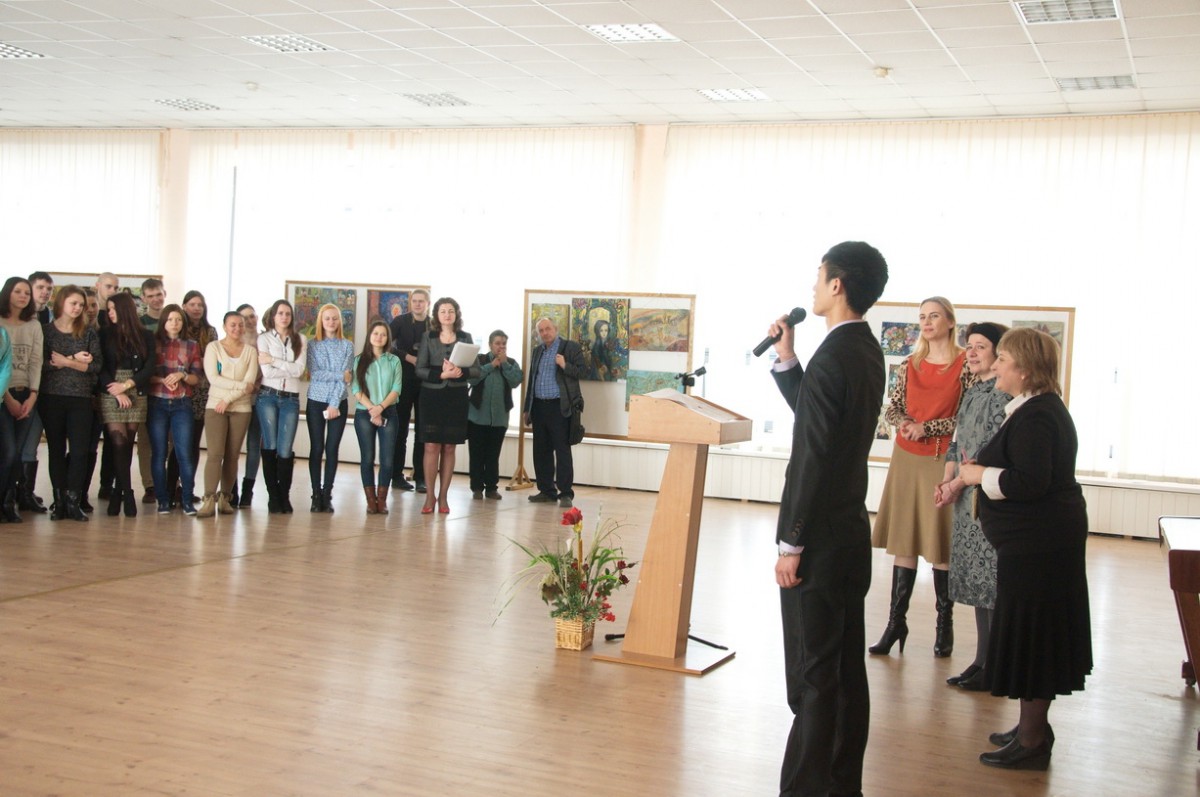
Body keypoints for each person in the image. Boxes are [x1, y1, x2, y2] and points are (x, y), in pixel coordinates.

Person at [771, 241, 889, 797]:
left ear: (837, 284)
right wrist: (788, 361)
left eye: (819, 276)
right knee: (844, 671)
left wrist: (790, 544)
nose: (814, 286)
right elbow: (823, 422)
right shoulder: (864, 349)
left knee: (813, 677)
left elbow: (812, 456)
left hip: (817, 539)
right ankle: (843, 785)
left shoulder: (835, 355)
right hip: (849, 534)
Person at [959, 328, 1091, 770]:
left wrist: (978, 476)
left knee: (1035, 638)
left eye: (1003, 359)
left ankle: (1032, 741)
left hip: (1039, 547)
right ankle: (1030, 729)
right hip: (1038, 544)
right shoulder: (1036, 409)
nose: (995, 365)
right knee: (1035, 634)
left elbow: (1030, 482)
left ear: (1026, 370)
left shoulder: (1037, 415)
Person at [869, 297, 970, 658]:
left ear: (950, 322)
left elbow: (965, 416)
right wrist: (906, 423)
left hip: (943, 458)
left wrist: (928, 427)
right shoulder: (908, 364)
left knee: (940, 542)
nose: (927, 322)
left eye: (934, 316)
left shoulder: (965, 364)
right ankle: (896, 623)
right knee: (905, 539)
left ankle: (945, 625)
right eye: (922, 317)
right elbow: (893, 408)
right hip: (906, 457)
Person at [934, 323, 1011, 691]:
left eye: (981, 346)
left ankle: (993, 665)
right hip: (965, 496)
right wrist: (947, 480)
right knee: (979, 586)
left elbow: (989, 450)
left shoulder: (1003, 393)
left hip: (986, 495)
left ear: (998, 352)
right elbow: (957, 442)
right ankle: (981, 660)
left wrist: (957, 482)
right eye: (970, 346)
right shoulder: (973, 390)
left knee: (991, 584)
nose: (973, 352)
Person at [39, 285, 101, 522]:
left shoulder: (88, 333)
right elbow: (42, 364)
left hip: (81, 399)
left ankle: (74, 501)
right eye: (73, 303)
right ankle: (59, 501)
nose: (77, 308)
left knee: (79, 451)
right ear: (61, 303)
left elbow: (95, 366)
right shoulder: (46, 331)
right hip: (51, 397)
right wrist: (75, 359)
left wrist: (66, 361)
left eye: (81, 305)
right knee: (56, 450)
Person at [415, 297, 479, 515]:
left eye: (451, 311)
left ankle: (443, 496)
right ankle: (429, 496)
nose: (447, 315)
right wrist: (441, 375)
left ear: (456, 314)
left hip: (456, 396)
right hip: (431, 396)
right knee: (431, 446)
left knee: (449, 447)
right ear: (436, 315)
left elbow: (477, 370)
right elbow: (419, 369)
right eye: (443, 311)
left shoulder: (465, 337)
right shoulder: (428, 336)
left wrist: (462, 372)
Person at [97, 292, 155, 517]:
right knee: (118, 442)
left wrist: (127, 385)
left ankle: (117, 493)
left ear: (125, 309)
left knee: (128, 443)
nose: (110, 313)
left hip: (135, 389)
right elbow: (100, 366)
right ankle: (127, 493)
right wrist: (116, 389)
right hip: (111, 389)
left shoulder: (145, 335)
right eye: (109, 309)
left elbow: (149, 367)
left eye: (114, 309)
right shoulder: (104, 334)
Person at [196, 311, 258, 518]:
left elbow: (251, 382)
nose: (237, 328)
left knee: (232, 455)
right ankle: (208, 499)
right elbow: (213, 378)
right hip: (216, 407)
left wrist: (228, 399)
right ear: (224, 326)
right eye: (233, 324)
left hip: (240, 408)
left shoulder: (250, 352)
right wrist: (240, 387)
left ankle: (225, 498)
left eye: (240, 325)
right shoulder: (213, 348)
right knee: (215, 454)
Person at [522, 316, 584, 508]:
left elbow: (583, 372)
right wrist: (527, 408)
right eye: (541, 330)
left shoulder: (570, 348)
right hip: (539, 407)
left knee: (562, 450)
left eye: (548, 329)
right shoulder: (537, 351)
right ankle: (546, 491)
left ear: (556, 329)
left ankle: (565, 493)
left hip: (560, 407)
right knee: (541, 451)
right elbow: (532, 380)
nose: (545, 333)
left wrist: (565, 365)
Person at [147, 304, 202, 515]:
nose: (174, 323)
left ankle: (187, 500)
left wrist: (182, 375)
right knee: (159, 453)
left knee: (184, 454)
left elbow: (197, 378)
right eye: (170, 319)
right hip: (157, 403)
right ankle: (162, 500)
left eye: (178, 319)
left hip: (182, 404)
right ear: (163, 322)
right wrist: (163, 380)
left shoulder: (192, 345)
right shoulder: (152, 343)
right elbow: (144, 375)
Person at [257, 299, 307, 514]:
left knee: (285, 449)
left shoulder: (301, 339)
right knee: (270, 445)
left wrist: (273, 360)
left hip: (290, 399)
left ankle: (284, 496)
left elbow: (299, 371)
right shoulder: (264, 339)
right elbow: (267, 373)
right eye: (280, 313)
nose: (284, 317)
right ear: (273, 316)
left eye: (288, 313)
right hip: (267, 396)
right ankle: (273, 497)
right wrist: (286, 366)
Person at [0, 277, 44, 523]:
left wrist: (33, 394)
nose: (23, 296)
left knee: (17, 453)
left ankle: (9, 503)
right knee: (7, 451)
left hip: (27, 393)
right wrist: (6, 397)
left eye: (27, 292)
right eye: (18, 291)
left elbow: (36, 361)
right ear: (7, 293)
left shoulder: (34, 325)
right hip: (3, 395)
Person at [305, 303, 353, 513]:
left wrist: (334, 403)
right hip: (315, 400)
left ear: (340, 321)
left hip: (338, 401)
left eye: (335, 318)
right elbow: (314, 373)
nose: (331, 322)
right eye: (327, 318)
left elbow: (347, 379)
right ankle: (316, 494)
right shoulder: (312, 345)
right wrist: (339, 375)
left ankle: (327, 494)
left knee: (332, 449)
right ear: (321, 321)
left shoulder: (347, 346)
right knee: (317, 448)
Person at [351, 320, 402, 515]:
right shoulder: (359, 360)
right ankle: (370, 500)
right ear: (369, 336)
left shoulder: (394, 361)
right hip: (364, 413)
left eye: (383, 334)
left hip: (389, 412)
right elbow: (356, 389)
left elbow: (396, 389)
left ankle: (382, 500)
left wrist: (380, 408)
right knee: (367, 458)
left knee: (387, 460)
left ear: (388, 338)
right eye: (375, 333)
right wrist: (373, 409)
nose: (379, 337)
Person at [172, 290, 217, 505]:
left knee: (193, 443)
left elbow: (213, 360)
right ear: (184, 306)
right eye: (192, 304)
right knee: (178, 443)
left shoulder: (211, 331)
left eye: (200, 304)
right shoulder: (178, 328)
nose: (197, 308)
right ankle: (172, 487)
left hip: (202, 391)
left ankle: (187, 488)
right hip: (179, 389)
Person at [467, 330, 522, 500]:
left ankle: (491, 488)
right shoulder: (480, 359)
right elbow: (472, 379)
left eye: (504, 344)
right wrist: (491, 365)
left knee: (493, 455)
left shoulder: (511, 363)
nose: (501, 347)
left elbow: (516, 381)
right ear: (490, 344)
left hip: (499, 418)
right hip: (477, 417)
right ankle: (477, 487)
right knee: (476, 454)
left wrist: (504, 364)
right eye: (498, 343)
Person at [388, 288, 429, 493]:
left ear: (428, 304)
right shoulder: (399, 321)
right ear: (410, 303)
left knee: (422, 432)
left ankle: (420, 477)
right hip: (403, 380)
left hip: (426, 383)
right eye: (415, 301)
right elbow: (385, 344)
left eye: (422, 301)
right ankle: (396, 476)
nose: (418, 304)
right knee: (400, 430)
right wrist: (408, 357)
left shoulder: (434, 324)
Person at [133, 278, 168, 505]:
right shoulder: (140, 324)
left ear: (165, 294)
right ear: (144, 298)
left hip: (171, 390)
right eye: (151, 295)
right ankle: (150, 485)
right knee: (145, 441)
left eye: (159, 294)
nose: (156, 299)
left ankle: (172, 483)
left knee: (171, 441)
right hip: (146, 388)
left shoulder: (174, 318)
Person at [233, 303, 262, 507]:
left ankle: (247, 490)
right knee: (233, 446)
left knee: (254, 446)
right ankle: (231, 489)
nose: (249, 321)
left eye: (252, 316)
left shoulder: (265, 341)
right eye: (244, 318)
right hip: (237, 398)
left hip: (258, 399)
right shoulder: (233, 344)